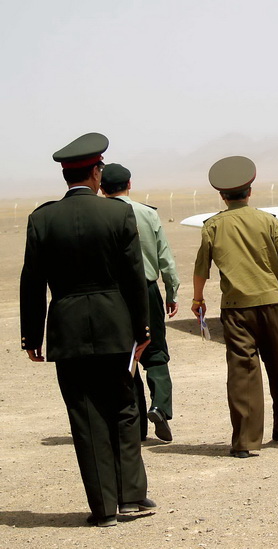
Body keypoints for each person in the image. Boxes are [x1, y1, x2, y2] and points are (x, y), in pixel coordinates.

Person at [20, 132, 156, 527]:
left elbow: (32, 282)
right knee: (126, 407)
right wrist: (143, 329)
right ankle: (131, 496)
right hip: (116, 325)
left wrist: (32, 335)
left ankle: (104, 508)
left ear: (66, 175)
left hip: (67, 329)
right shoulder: (117, 214)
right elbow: (134, 277)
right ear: (97, 173)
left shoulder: (42, 219)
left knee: (85, 414)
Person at [191, 155, 278, 458]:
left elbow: (201, 269)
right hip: (271, 303)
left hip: (235, 309)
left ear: (222, 196)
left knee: (242, 372)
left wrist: (198, 299)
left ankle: (245, 442)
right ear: (250, 192)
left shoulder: (213, 226)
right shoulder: (268, 221)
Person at [100, 163, 180, 443]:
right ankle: (160, 406)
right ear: (130, 184)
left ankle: (135, 425)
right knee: (155, 352)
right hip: (146, 290)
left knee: (126, 354)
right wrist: (171, 292)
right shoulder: (147, 214)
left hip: (114, 295)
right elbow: (165, 257)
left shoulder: (100, 215)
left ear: (101, 188)